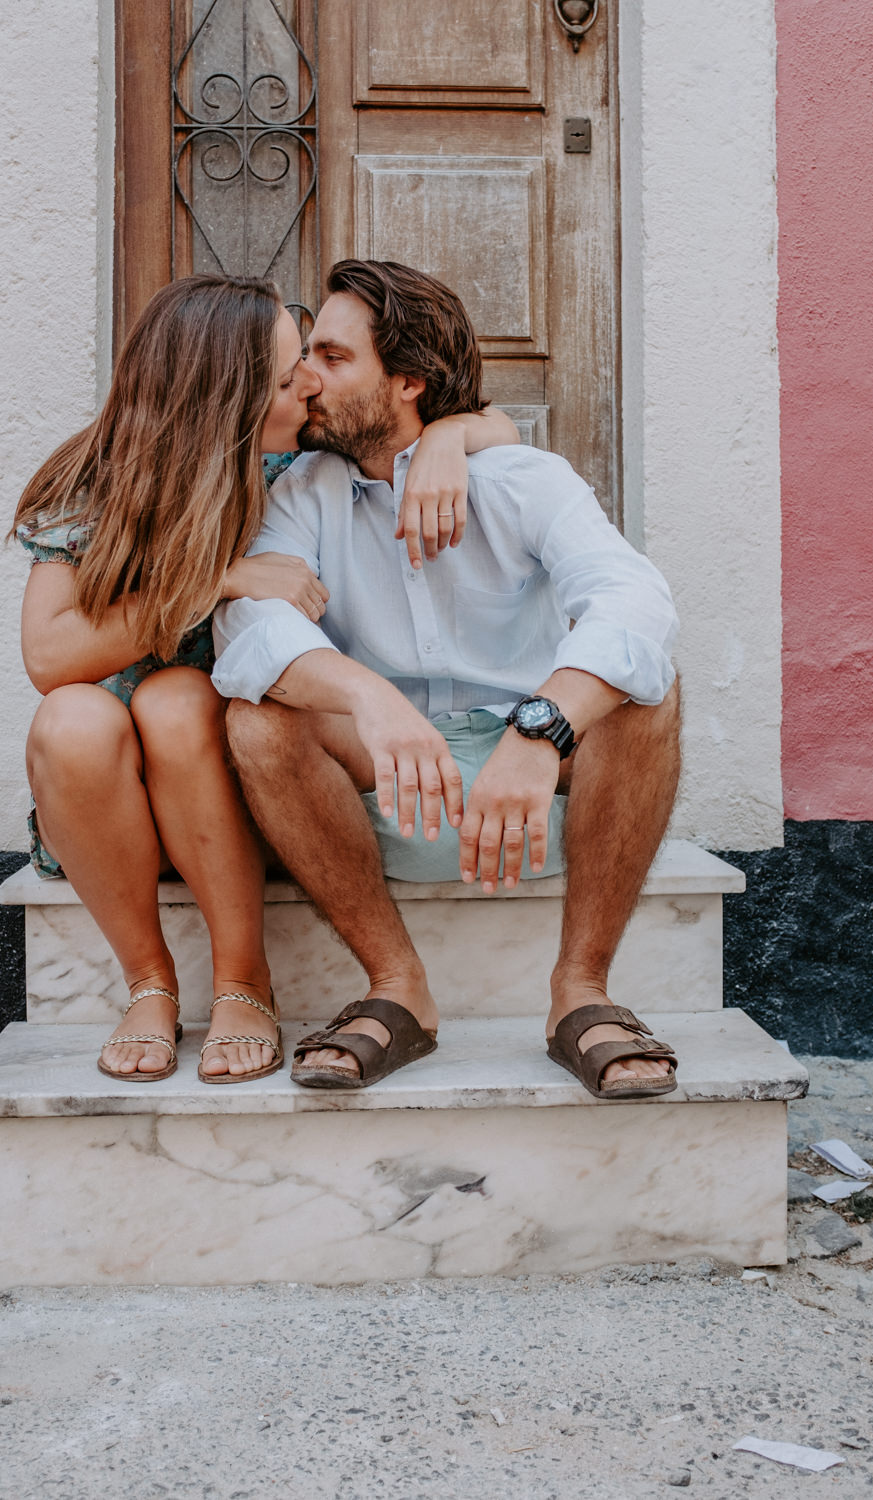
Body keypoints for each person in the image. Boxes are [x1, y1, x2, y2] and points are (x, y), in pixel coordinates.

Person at [11, 272, 520, 1085]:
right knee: (71, 718)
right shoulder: (96, 479)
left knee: (175, 697)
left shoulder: (286, 462)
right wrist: (218, 577)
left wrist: (447, 439)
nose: (311, 384)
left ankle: (244, 977)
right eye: (289, 377)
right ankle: (149, 979)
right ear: (229, 398)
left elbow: (487, 422)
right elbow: (47, 656)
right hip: (116, 807)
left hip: (234, 797)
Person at [213, 260, 682, 1100]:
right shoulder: (304, 492)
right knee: (258, 717)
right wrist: (369, 695)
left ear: (407, 383)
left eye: (331, 356)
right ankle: (397, 987)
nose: (305, 379)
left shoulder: (526, 482)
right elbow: (254, 626)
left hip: (530, 768)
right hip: (383, 762)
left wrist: (542, 731)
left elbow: (635, 603)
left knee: (649, 695)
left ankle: (582, 991)